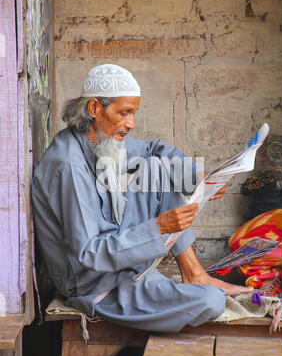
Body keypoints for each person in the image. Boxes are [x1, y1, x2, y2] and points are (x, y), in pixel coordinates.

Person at [31, 64, 252, 332]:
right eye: (124, 113)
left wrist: (196, 177)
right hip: (94, 283)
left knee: (158, 167)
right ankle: (185, 284)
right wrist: (158, 228)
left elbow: (152, 150)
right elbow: (89, 253)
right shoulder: (68, 166)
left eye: (133, 113)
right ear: (94, 109)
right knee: (211, 302)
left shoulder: (98, 139)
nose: (131, 124)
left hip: (115, 258)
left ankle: (194, 273)